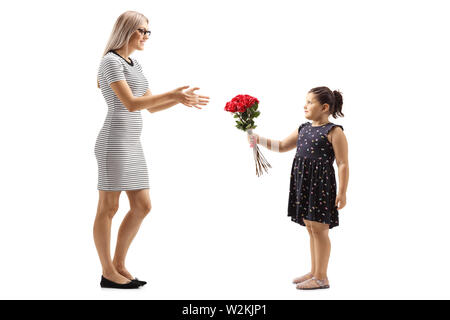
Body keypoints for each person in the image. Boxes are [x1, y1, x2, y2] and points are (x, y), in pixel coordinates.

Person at [94, 11, 210, 289]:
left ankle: (120, 264)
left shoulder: (134, 64)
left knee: (142, 206)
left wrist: (179, 100)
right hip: (114, 142)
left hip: (132, 143)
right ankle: (107, 271)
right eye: (142, 31)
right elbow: (131, 104)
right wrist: (173, 94)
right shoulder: (110, 61)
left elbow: (151, 106)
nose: (146, 36)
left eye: (148, 32)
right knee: (108, 208)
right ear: (127, 30)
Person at [248, 86, 349, 290]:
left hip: (320, 185)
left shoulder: (334, 131)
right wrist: (258, 139)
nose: (305, 105)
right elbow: (283, 145)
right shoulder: (303, 128)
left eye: (310, 102)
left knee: (320, 229)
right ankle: (314, 271)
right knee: (311, 228)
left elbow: (342, 163)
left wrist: (343, 192)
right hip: (303, 183)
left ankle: (322, 277)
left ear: (324, 107)